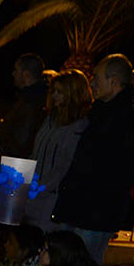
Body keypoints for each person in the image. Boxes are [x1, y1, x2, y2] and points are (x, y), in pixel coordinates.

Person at [52, 54, 134, 264]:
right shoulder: (100, 111)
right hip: (79, 207)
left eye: (96, 77)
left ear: (113, 82)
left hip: (95, 214)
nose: (92, 82)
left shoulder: (129, 119)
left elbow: (115, 172)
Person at [25, 70, 92, 232]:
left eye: (60, 92)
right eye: (53, 91)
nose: (54, 96)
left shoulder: (79, 127)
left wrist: (41, 187)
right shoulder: (50, 119)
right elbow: (36, 153)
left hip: (51, 201)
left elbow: (64, 166)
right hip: (33, 193)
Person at [0, 53, 48, 171]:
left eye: (16, 70)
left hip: (15, 168)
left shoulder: (31, 102)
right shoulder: (28, 98)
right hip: (15, 167)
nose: (13, 73)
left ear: (26, 74)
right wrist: (0, 126)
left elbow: (20, 143)